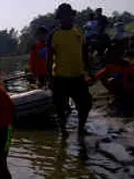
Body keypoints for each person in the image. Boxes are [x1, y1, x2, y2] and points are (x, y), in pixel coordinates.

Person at [47, 3, 93, 139]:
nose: (66, 18)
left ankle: (80, 128)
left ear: (72, 16)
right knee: (60, 108)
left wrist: (89, 72)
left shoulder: (79, 32)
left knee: (86, 103)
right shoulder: (54, 35)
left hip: (78, 76)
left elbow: (85, 54)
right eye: (63, 15)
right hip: (60, 77)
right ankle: (63, 130)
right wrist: (50, 79)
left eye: (69, 15)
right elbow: (49, 59)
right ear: (60, 18)